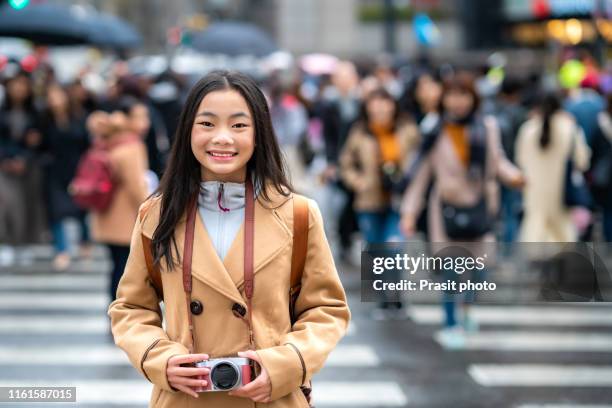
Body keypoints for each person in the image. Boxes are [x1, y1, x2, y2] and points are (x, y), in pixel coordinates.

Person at [107, 70, 350, 407]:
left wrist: (286, 365)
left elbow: (326, 310)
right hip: (185, 398)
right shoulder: (156, 214)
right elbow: (131, 307)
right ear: (188, 130)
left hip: (271, 398)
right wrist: (160, 359)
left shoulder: (299, 213)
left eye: (238, 125)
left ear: (259, 133)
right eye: (207, 124)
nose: (222, 138)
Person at [400, 71, 523, 348]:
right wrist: (409, 212)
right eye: (453, 95)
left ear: (473, 98)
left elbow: (498, 161)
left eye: (463, 95)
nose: (458, 102)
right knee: (451, 271)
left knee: (480, 269)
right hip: (445, 212)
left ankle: (467, 305)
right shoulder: (435, 131)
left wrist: (514, 177)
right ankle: (451, 323)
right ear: (444, 99)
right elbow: (421, 175)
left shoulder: (488, 127)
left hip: (480, 209)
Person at [340, 87, 420, 318]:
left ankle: (396, 298)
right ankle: (384, 298)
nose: (380, 108)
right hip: (369, 200)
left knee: (394, 248)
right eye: (374, 103)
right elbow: (346, 163)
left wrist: (410, 183)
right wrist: (359, 181)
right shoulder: (360, 132)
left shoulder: (407, 130)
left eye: (385, 102)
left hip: (398, 200)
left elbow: (419, 161)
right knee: (376, 250)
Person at [89, 100, 149, 302]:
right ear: (128, 120)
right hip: (126, 220)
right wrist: (151, 213)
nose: (145, 122)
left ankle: (113, 309)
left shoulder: (109, 141)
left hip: (107, 216)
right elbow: (136, 187)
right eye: (141, 117)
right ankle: (120, 311)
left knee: (116, 265)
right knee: (125, 269)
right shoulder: (132, 146)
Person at [516, 92, 591, 243]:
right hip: (562, 192)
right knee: (563, 235)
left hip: (533, 190)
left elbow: (520, 160)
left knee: (534, 230)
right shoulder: (570, 128)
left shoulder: (528, 128)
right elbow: (583, 161)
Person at [39, 83, 91, 270]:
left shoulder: (79, 117)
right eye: (50, 97)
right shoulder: (45, 120)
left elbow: (86, 144)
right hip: (54, 171)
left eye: (57, 96)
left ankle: (85, 243)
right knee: (56, 211)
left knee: (81, 208)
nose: (54, 101)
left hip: (78, 169)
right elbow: (40, 145)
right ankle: (62, 250)